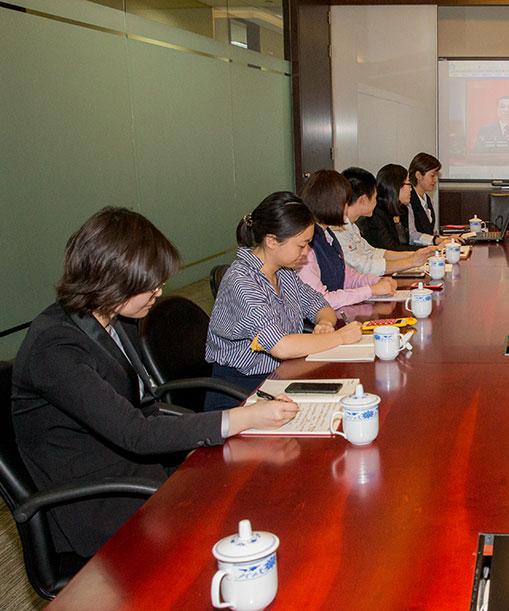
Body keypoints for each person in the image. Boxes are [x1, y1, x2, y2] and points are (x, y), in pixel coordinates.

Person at [11, 207, 299, 557]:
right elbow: (135, 433)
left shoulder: (114, 318)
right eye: (149, 285)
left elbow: (145, 406)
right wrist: (243, 417)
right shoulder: (55, 348)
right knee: (237, 516)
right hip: (102, 500)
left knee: (259, 487)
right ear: (112, 280)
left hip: (140, 469)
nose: (159, 292)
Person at [205, 192, 364, 410]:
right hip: (241, 392)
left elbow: (320, 304)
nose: (307, 252)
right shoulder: (241, 281)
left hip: (281, 375)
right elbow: (281, 346)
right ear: (271, 241)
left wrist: (325, 324)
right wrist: (339, 337)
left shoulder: (284, 272)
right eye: (302, 245)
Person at [295, 169, 397, 308]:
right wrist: (370, 290)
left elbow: (346, 276)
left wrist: (376, 281)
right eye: (345, 202)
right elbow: (320, 301)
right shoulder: (306, 245)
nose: (347, 207)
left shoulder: (328, 234)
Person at [325, 167, 436, 276]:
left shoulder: (352, 226)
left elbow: (373, 253)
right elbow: (362, 266)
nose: (376, 201)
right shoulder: (337, 230)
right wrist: (410, 262)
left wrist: (414, 255)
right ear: (363, 200)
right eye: (374, 197)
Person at [359, 164, 422, 251]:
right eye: (409, 184)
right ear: (396, 186)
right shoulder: (376, 213)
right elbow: (390, 248)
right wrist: (425, 250)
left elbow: (404, 244)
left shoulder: (403, 210)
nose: (411, 189)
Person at [407, 152, 457, 246]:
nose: (435, 180)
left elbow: (429, 233)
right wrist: (437, 240)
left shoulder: (428, 199)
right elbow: (412, 236)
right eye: (432, 176)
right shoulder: (408, 201)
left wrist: (447, 238)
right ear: (418, 175)